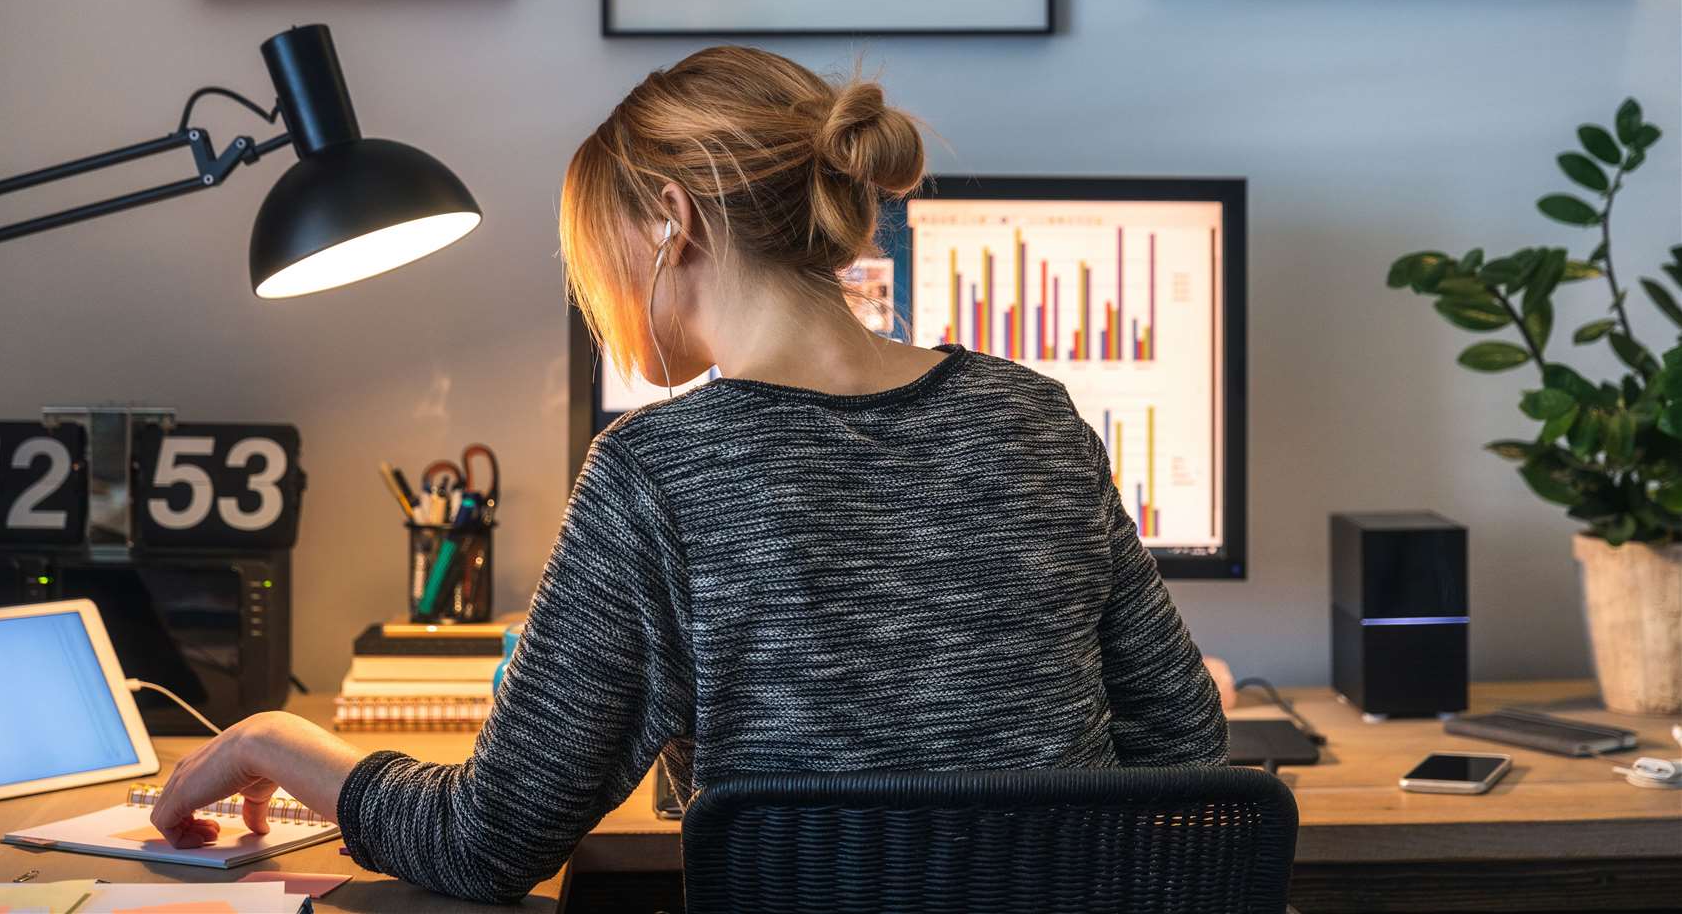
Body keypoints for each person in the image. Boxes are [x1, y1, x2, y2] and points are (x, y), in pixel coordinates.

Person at [150, 47, 1229, 903]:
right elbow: (1182, 736)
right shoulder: (1028, 412)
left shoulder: (654, 472)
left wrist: (272, 741)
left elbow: (490, 842)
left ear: (671, 217)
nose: (598, 299)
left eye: (594, 258)